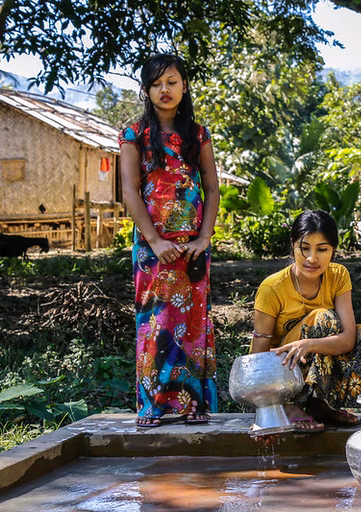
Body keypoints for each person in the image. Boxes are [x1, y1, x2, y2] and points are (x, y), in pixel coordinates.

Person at [119, 54, 220, 427]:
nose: (165, 89)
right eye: (157, 83)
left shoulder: (198, 134)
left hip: (194, 248)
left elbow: (211, 187)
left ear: (184, 86)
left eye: (172, 81)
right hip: (152, 250)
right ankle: (153, 404)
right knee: (156, 323)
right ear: (146, 90)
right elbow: (130, 192)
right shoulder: (133, 134)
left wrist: (204, 237)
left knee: (193, 323)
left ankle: (194, 403)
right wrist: (156, 241)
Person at [250, 210, 361, 432]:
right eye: (305, 248)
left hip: (318, 361)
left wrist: (307, 344)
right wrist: (265, 410)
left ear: (333, 251)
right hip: (283, 373)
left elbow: (348, 339)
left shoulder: (338, 276)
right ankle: (290, 407)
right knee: (323, 319)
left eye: (322, 249)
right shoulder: (272, 288)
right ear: (293, 246)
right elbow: (259, 352)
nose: (312, 258)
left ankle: (322, 405)